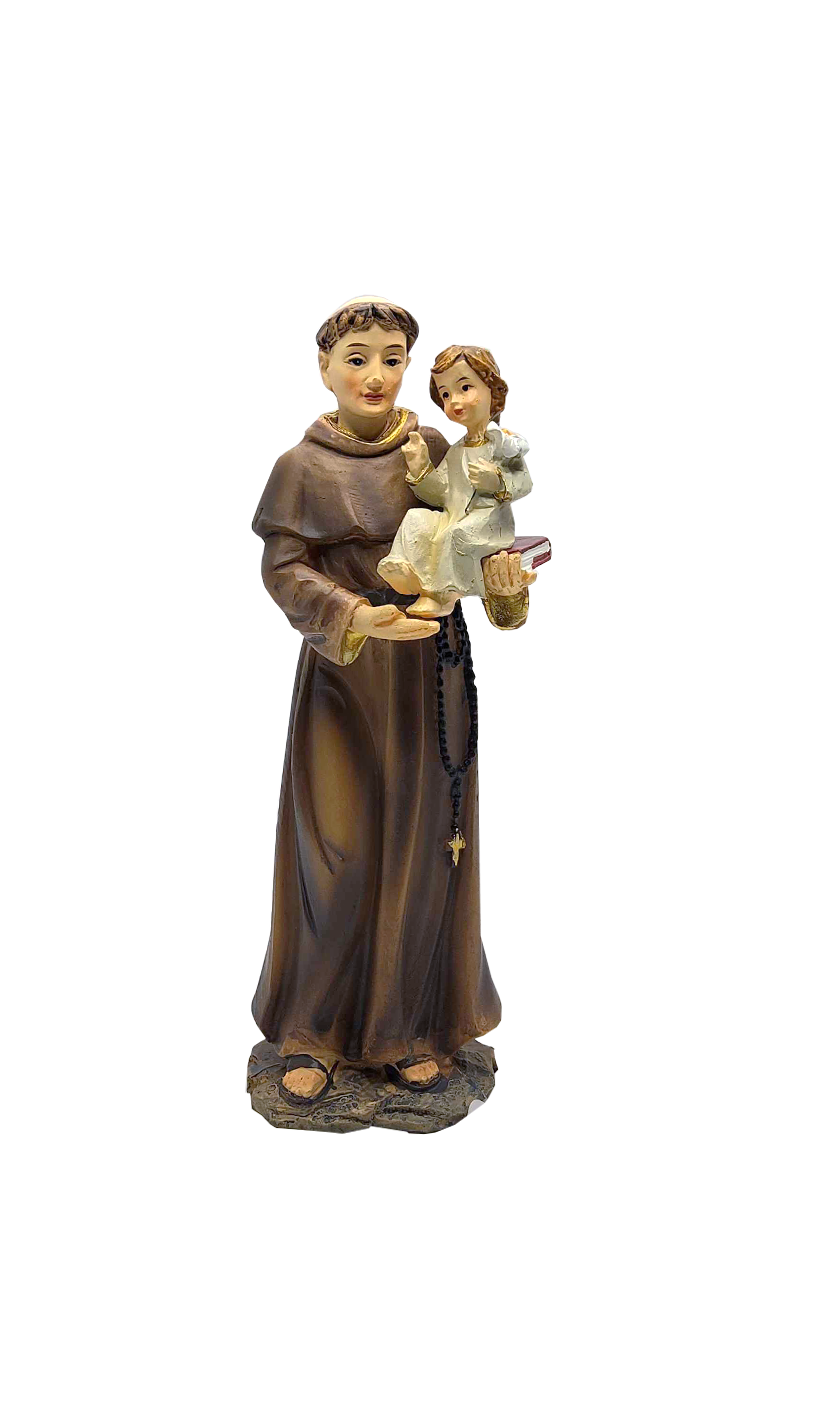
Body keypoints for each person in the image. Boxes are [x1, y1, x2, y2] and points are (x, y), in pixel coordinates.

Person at [250, 297, 535, 1103]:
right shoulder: (300, 469)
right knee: (334, 851)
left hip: (429, 675)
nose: (375, 375)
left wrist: (506, 591)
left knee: (423, 847)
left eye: (392, 359)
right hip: (345, 679)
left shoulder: (436, 450)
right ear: (325, 368)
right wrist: (353, 615)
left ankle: (408, 1027)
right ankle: (313, 1029)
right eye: (357, 359)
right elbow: (283, 568)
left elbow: (479, 553)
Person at [378, 345, 533, 618]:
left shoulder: (504, 445)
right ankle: (404, 570)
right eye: (446, 395)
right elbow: (440, 494)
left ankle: (442, 594)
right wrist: (420, 466)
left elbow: (524, 482)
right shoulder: (457, 450)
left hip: (489, 522)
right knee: (417, 518)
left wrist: (497, 482)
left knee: (457, 534)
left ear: (493, 390)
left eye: (465, 388)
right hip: (453, 517)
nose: (455, 402)